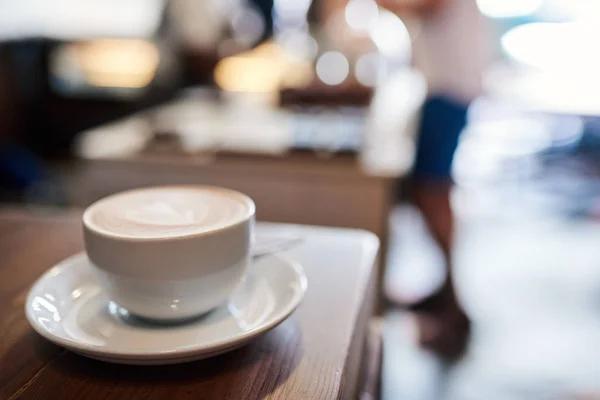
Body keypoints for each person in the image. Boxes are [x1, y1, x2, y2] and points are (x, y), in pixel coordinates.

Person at [375, 0, 493, 356]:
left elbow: (425, 5)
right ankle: (447, 290)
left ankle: (453, 305)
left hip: (450, 87)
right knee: (430, 189)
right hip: (448, 84)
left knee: (431, 190)